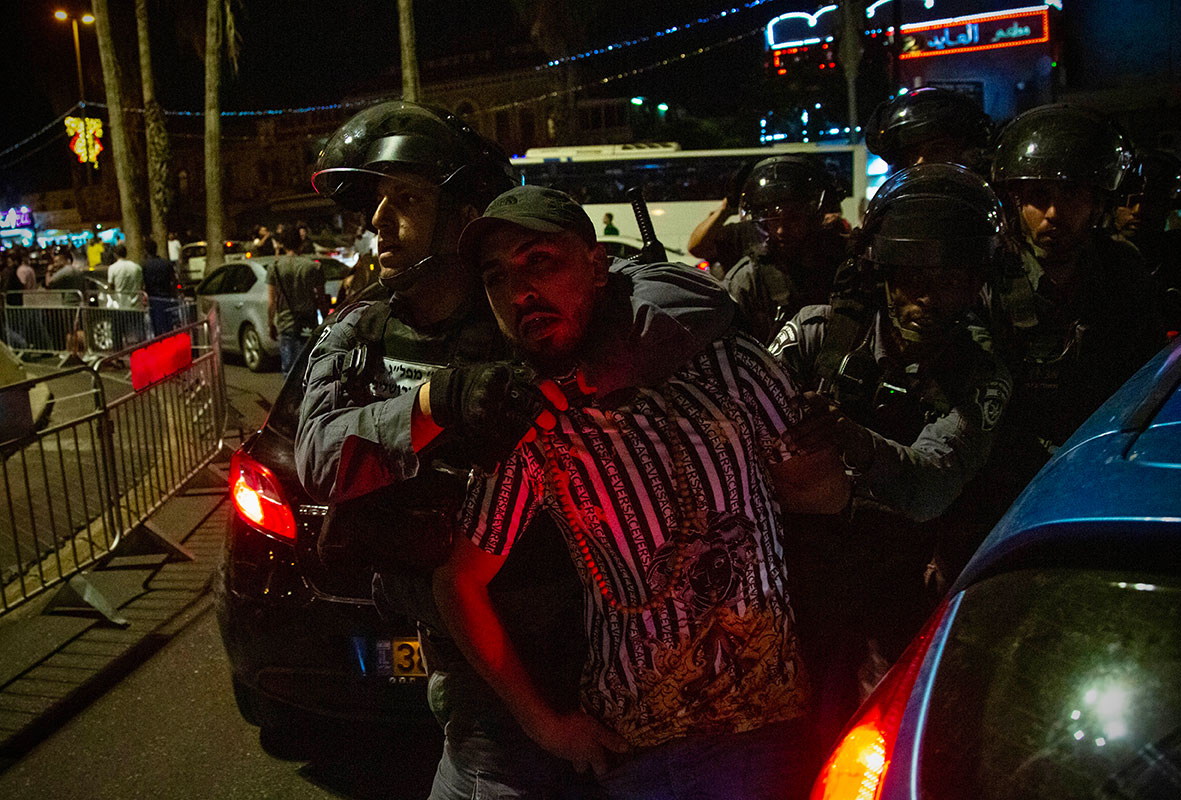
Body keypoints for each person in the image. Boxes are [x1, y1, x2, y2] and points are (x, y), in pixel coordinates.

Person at [296, 101, 737, 800]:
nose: (379, 223)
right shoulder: (362, 329)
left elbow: (695, 301)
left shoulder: (526, 299)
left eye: (405, 199)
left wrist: (577, 366)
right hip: (474, 658)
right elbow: (316, 455)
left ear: (467, 212)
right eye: (372, 205)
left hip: (604, 649)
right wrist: (434, 404)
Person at [435, 185, 851, 799]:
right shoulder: (534, 424)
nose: (520, 292)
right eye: (497, 276)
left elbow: (826, 496)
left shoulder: (728, 363)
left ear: (599, 266)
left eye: (540, 262)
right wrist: (548, 729)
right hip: (641, 753)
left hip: (773, 733)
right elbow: (458, 583)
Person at [769, 164, 1012, 740]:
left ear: (976, 282)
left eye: (950, 280)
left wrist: (848, 436)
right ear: (883, 273)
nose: (928, 298)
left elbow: (929, 487)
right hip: (794, 575)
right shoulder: (815, 335)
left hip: (898, 580)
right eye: (913, 278)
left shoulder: (982, 376)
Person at [986, 104, 1166, 512]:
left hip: (1098, 467)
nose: (1054, 214)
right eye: (1038, 196)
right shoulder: (987, 275)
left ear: (1099, 202)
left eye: (1072, 194)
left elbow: (1146, 381)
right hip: (1002, 481)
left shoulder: (1122, 270)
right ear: (1014, 201)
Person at [722, 155, 847, 345]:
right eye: (773, 218)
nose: (781, 229)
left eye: (793, 218)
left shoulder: (844, 266)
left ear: (813, 215)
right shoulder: (747, 280)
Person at [1113, 149, 1181, 330]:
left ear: (1167, 206)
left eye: (1151, 201)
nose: (1138, 210)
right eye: (1129, 201)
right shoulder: (1093, 258)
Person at [864, 87, 993, 172]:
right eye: (912, 153)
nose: (920, 163)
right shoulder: (894, 212)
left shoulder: (985, 207)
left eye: (937, 150)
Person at [265, 224, 323, 374]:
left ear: (282, 244)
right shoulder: (313, 267)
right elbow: (321, 299)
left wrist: (270, 323)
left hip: (287, 323)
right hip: (309, 323)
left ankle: (292, 398)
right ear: (301, 243)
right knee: (311, 370)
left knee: (289, 370)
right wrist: (325, 318)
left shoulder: (275, 268)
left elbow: (272, 301)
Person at [142, 239, 179, 335]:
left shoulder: (145, 265)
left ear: (146, 250)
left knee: (156, 325)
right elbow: (173, 279)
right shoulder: (166, 263)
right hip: (166, 296)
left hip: (153, 298)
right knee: (168, 324)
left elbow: (143, 282)